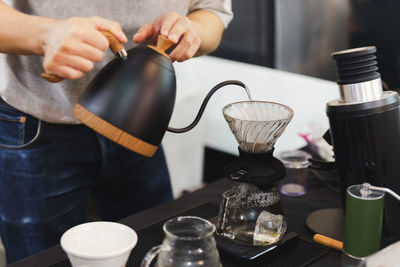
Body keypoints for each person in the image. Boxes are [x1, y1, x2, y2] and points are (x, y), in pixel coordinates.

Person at [0, 0, 232, 263]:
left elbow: (212, 12)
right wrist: (44, 35)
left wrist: (191, 31)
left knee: (152, 249)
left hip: (136, 123)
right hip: (36, 121)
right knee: (43, 259)